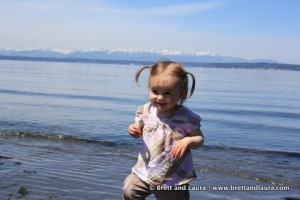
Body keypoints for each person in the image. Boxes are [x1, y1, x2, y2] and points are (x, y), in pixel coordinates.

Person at [123, 60, 204, 200]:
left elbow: (199, 139)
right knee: (129, 192)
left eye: (167, 93)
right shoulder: (146, 110)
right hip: (145, 170)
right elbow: (139, 128)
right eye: (155, 91)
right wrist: (134, 130)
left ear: (181, 94)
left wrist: (187, 141)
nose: (160, 97)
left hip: (172, 175)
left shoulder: (185, 117)